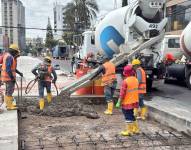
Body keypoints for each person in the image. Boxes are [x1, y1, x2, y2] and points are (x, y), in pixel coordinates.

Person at [116, 65, 139, 136]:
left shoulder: (125, 81)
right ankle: (136, 129)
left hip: (127, 103)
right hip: (134, 101)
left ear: (125, 73)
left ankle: (129, 131)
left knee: (128, 116)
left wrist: (118, 102)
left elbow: (122, 94)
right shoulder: (136, 79)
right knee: (132, 115)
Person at [1, 44, 23, 110]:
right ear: (13, 51)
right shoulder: (10, 57)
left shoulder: (7, 55)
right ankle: (9, 106)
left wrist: (19, 73)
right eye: (16, 52)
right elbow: (8, 69)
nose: (17, 54)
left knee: (8, 91)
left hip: (5, 77)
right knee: (10, 91)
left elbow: (12, 68)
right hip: (8, 78)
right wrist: (12, 78)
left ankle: (8, 105)